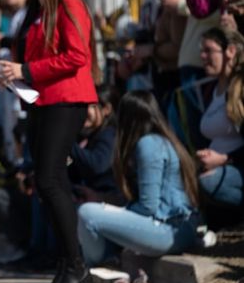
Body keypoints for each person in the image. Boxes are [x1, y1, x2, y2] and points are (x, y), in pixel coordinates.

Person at [0, 0, 99, 283]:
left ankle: (74, 265)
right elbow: (39, 59)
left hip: (67, 100)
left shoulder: (70, 3)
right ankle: (71, 266)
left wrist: (24, 69)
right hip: (43, 100)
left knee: (51, 180)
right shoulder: (41, 9)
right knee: (46, 181)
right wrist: (13, 75)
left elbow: (76, 56)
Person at [77, 91, 200, 266]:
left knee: (87, 213)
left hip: (169, 228)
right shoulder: (160, 140)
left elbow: (148, 207)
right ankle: (105, 263)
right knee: (90, 211)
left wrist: (114, 211)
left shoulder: (149, 144)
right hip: (173, 227)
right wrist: (104, 202)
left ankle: (95, 268)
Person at [196, 28, 244, 216]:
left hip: (236, 167)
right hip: (221, 167)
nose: (202, 56)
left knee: (208, 182)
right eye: (202, 50)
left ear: (230, 51)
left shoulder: (240, 90)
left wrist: (224, 159)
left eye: (209, 50)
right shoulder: (211, 89)